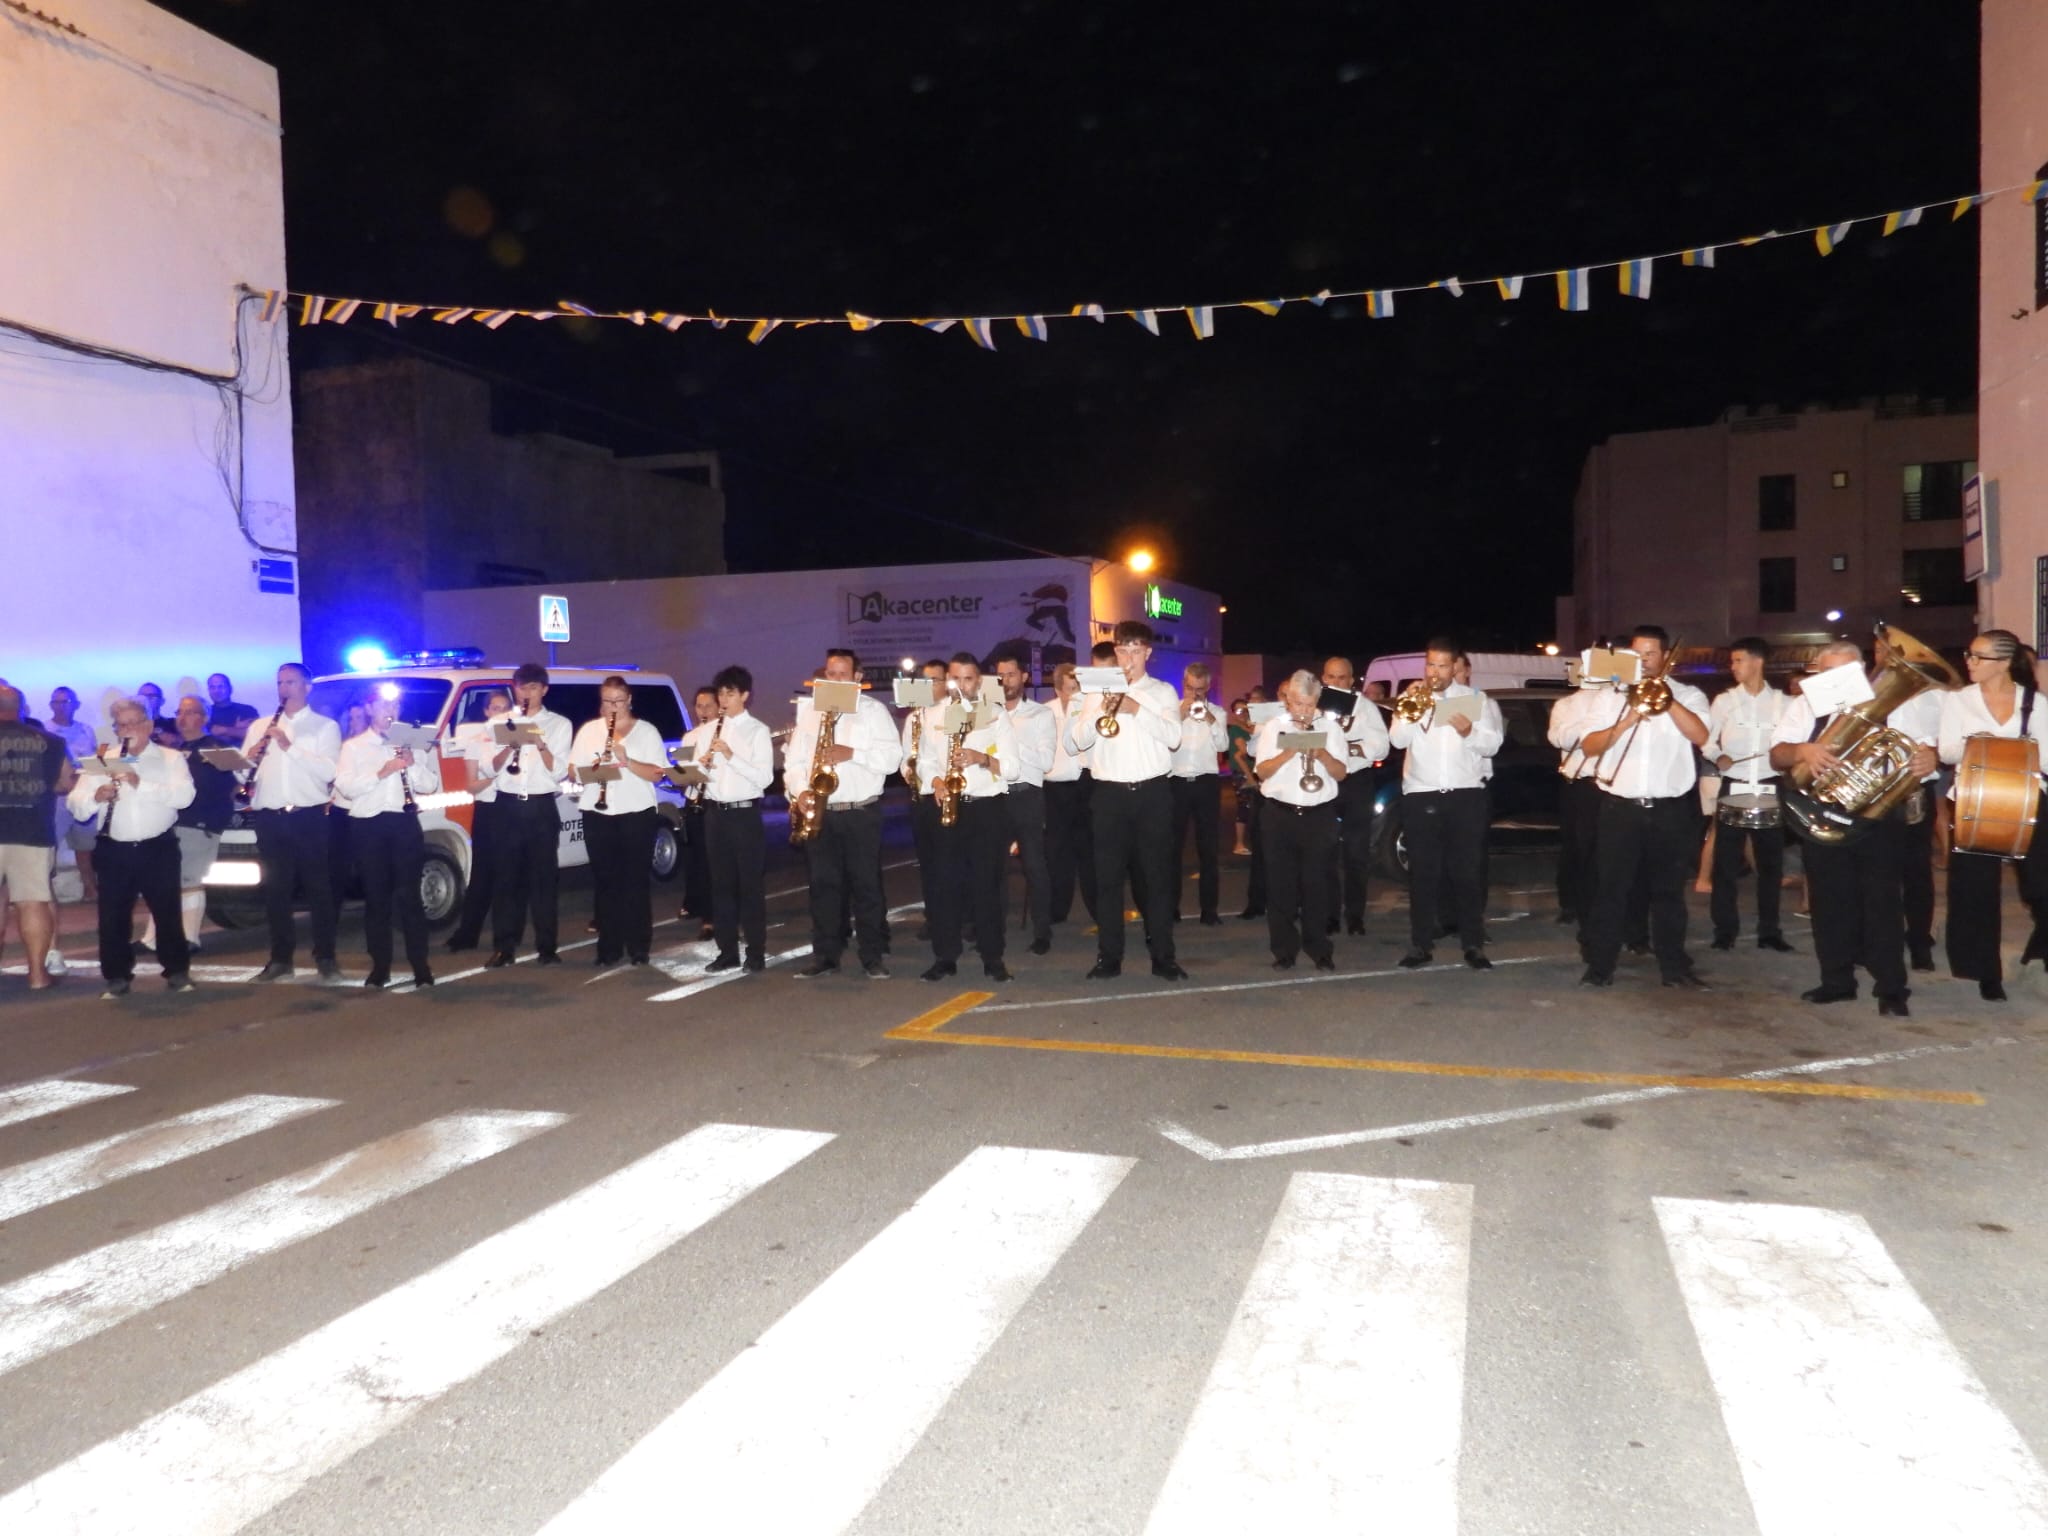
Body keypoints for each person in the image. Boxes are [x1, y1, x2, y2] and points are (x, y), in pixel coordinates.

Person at [1770, 640, 1932, 1017]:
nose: (1834, 681)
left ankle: (1892, 988)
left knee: (1883, 903)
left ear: (1861, 671)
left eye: (1843, 673)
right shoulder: (1804, 705)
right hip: (1822, 813)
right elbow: (1776, 754)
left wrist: (1929, 758)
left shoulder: (1901, 705)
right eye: (1827, 674)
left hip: (1878, 816)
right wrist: (1802, 751)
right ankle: (1837, 982)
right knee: (1829, 903)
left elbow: (1928, 751)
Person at [1578, 626, 1711, 990]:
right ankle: (1600, 967)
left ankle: (1674, 968)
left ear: (1665, 657)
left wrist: (1667, 701)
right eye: (1637, 655)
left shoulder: (1689, 694)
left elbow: (1701, 736)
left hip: (1671, 810)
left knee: (1668, 893)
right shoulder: (1609, 697)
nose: (1644, 661)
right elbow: (1589, 746)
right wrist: (1626, 719)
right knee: (1612, 890)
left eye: (1651, 654)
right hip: (1621, 808)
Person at [1063, 620, 1187, 981]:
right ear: (1115, 652)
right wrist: (1101, 710)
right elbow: (1074, 744)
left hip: (1152, 794)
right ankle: (1109, 958)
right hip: (1109, 795)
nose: (1129, 657)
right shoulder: (1094, 692)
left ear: (1147, 653)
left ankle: (1163, 957)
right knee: (1108, 880)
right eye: (1123, 650)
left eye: (1136, 650)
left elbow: (1174, 737)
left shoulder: (1162, 692)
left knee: (1157, 879)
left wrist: (1136, 708)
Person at [1938, 629, 2048, 1000]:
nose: (1969, 662)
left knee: (2041, 884)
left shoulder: (2035, 701)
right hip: (1975, 799)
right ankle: (1986, 973)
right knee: (1975, 889)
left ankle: (2041, 947)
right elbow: (1948, 751)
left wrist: (2017, 753)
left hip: (2029, 798)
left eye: (1978, 657)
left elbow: (2047, 757)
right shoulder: (1959, 701)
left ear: (2003, 662)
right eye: (1969, 655)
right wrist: (1981, 743)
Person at [67, 697, 195, 998]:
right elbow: (76, 804)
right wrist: (96, 796)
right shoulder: (102, 760)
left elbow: (184, 797)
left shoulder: (170, 758)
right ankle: (117, 975)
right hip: (114, 849)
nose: (127, 729)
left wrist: (139, 782)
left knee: (166, 912)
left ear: (148, 725)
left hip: (158, 847)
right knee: (112, 915)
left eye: (134, 723)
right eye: (121, 724)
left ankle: (176, 970)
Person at [788, 649, 902, 979]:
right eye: (830, 673)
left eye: (842, 673)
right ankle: (825, 955)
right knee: (823, 886)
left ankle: (872, 956)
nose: (835, 679)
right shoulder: (810, 712)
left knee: (865, 886)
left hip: (860, 811)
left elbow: (892, 759)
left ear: (856, 677)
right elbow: (795, 762)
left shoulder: (873, 711)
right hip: (823, 810)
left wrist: (852, 753)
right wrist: (801, 790)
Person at [1390, 640, 1503, 970]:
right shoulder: (1413, 697)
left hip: (1465, 795)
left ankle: (1473, 943)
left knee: (1466, 873)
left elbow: (1492, 745)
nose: (1434, 672)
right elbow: (1397, 740)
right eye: (1430, 665)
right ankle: (1420, 944)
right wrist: (1409, 707)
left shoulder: (1476, 700)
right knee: (1423, 874)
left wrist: (1469, 731)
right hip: (1421, 794)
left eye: (1441, 666)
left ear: (1454, 667)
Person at [913, 653, 1022, 982]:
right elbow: (925, 760)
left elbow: (1014, 768)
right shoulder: (933, 715)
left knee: (986, 886)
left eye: (969, 679)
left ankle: (993, 957)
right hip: (948, 805)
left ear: (980, 681)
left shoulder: (994, 715)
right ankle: (945, 956)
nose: (962, 685)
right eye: (956, 679)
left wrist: (980, 757)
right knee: (945, 885)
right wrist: (935, 781)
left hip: (986, 808)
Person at [239, 663, 343, 983]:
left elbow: (329, 772)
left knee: (318, 889)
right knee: (276, 890)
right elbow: (242, 774)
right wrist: (249, 758)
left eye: (291, 682)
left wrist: (288, 746)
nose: (284, 688)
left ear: (307, 686)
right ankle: (280, 958)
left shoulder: (324, 727)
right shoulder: (259, 725)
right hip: (270, 816)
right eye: (280, 682)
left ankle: (325, 955)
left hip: (308, 815)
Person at [334, 688, 440, 989]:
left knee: (409, 896)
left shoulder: (411, 741)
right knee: (377, 898)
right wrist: (383, 772)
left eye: (395, 703)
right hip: (368, 826)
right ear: (369, 710)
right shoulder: (354, 747)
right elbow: (346, 787)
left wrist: (412, 762)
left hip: (403, 822)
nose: (390, 709)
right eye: (383, 704)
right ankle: (380, 966)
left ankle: (421, 965)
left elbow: (430, 784)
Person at [567, 675, 669, 969]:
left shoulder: (646, 731)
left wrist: (626, 761)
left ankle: (638, 946)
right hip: (598, 813)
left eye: (618, 701)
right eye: (606, 701)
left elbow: (656, 774)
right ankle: (608, 946)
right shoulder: (589, 730)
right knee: (606, 881)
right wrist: (591, 770)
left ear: (629, 701)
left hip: (636, 812)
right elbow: (573, 770)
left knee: (635, 881)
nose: (612, 707)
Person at [1251, 669, 1348, 970]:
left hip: (1319, 816)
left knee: (1317, 885)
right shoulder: (1273, 727)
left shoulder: (1331, 729)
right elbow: (1262, 772)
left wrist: (1321, 755)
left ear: (1317, 700)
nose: (1304, 711)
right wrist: (1288, 752)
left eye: (1309, 704)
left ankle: (1319, 948)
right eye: (1298, 704)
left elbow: (1341, 772)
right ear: (1288, 701)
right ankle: (1284, 950)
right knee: (1280, 887)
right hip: (1280, 815)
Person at [1704, 637, 1793, 954]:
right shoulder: (1724, 701)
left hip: (1770, 785)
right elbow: (1707, 741)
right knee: (1726, 864)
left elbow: (1793, 745)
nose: (1733, 666)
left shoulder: (1784, 702)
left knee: (1770, 866)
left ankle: (1770, 931)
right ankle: (1724, 930)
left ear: (1757, 662)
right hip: (1735, 784)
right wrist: (1718, 757)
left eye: (1738, 660)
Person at [686, 665, 775, 974]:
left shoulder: (757, 731)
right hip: (715, 813)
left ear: (745, 696)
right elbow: (699, 775)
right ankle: (726, 951)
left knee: (749, 886)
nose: (723, 699)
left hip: (744, 813)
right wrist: (698, 769)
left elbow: (764, 778)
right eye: (721, 693)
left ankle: (756, 952)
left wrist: (731, 756)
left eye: (730, 693)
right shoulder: (706, 732)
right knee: (720, 885)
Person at [486, 663, 572, 968]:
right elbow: (488, 768)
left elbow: (559, 770)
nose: (527, 694)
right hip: (507, 805)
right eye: (522, 688)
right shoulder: (500, 721)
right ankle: (504, 947)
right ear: (514, 689)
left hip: (540, 806)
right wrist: (509, 747)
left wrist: (539, 743)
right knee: (506, 880)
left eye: (534, 688)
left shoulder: (559, 724)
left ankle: (547, 947)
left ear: (544, 690)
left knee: (544, 879)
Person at [137, 694, 235, 958]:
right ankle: (152, 938)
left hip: (200, 823)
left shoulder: (217, 747)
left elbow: (239, 781)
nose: (182, 717)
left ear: (204, 717)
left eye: (190, 712)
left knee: (190, 879)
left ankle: (189, 937)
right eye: (179, 711)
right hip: (171, 823)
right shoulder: (173, 751)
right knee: (166, 881)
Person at [1878, 629, 1946, 973]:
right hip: (1872, 791)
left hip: (1913, 792)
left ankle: (1919, 940)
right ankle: (1879, 942)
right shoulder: (1864, 692)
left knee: (1916, 872)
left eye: (1893, 650)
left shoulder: (1937, 697)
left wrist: (1935, 754)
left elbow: (1952, 742)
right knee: (1877, 872)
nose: (1886, 655)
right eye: (1882, 648)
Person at [0, 684, 74, 990]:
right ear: (21, 707)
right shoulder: (51, 741)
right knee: (33, 903)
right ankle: (37, 975)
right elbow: (65, 783)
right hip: (31, 830)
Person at [1318, 655, 1391, 936]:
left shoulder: (1366, 707)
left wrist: (1352, 749)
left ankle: (1355, 916)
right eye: (1331, 677)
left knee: (1356, 852)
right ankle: (1330, 915)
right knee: (1324, 851)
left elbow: (1382, 746)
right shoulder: (1315, 705)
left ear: (1352, 680)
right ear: (1324, 678)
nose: (1336, 682)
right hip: (1324, 781)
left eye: (1342, 677)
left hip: (1357, 782)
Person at [991, 645, 1057, 955]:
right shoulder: (986, 713)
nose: (1005, 680)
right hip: (994, 794)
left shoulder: (1040, 714)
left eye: (1011, 674)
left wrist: (1010, 743)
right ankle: (992, 927)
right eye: (1000, 675)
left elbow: (1045, 761)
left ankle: (1042, 931)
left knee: (1035, 865)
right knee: (993, 865)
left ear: (1025, 677)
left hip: (1026, 795)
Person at [444, 688, 511, 952]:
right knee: (483, 874)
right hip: (488, 809)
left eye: (505, 707)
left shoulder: (520, 735)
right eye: (495, 708)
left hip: (513, 808)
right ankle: (468, 933)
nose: (500, 712)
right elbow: (471, 786)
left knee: (510, 876)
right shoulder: (477, 740)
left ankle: (507, 937)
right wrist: (496, 779)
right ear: (486, 711)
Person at [1168, 662, 1231, 927]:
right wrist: (1178, 717)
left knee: (1209, 849)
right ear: (1184, 686)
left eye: (1200, 689)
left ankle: (1209, 910)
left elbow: (1223, 745)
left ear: (1208, 688)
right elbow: (1165, 742)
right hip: (1176, 783)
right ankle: (1170, 908)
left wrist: (1209, 719)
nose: (1194, 694)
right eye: (1190, 688)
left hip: (1205, 782)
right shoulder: (1170, 711)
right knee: (1172, 850)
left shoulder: (1217, 712)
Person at [901, 657, 951, 943]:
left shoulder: (953, 712)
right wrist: (909, 772)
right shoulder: (914, 717)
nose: (931, 686)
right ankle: (933, 917)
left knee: (951, 861)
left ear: (946, 683)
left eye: (936, 680)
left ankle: (960, 916)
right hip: (921, 797)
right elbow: (906, 755)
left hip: (945, 794)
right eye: (926, 681)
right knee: (928, 861)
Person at [1043, 662, 1097, 928]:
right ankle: (1057, 909)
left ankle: (1097, 908)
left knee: (1089, 851)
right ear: (1057, 689)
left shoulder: (1088, 708)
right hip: (1054, 789)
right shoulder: (1046, 712)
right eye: (1069, 689)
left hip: (1083, 786)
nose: (1074, 694)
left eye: (1078, 688)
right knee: (1057, 853)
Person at [1546, 683, 1601, 939]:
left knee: (1607, 848)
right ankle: (1570, 903)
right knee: (1575, 846)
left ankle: (1601, 902)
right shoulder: (1565, 705)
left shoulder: (1615, 701)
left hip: (1611, 783)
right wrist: (1590, 722)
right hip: (1578, 783)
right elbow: (1559, 738)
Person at [47, 686, 100, 903]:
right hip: (58, 798)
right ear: (51, 705)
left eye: (66, 701)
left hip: (84, 794)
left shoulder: (86, 730)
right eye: (57, 702)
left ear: (75, 704)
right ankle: (45, 891)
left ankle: (90, 888)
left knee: (85, 845)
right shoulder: (44, 729)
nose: (62, 706)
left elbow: (97, 757)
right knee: (50, 845)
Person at [677, 684, 719, 939]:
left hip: (715, 803)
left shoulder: (722, 738)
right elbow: (682, 769)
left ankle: (710, 917)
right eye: (699, 706)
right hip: (694, 802)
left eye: (708, 706)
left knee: (712, 863)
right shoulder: (688, 737)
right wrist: (681, 776)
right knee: (696, 859)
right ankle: (696, 903)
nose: (702, 711)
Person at [1235, 686, 1271, 919]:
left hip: (1282, 790)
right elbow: (1251, 749)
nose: (1253, 705)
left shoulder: (1277, 720)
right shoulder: (1260, 724)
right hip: (1263, 788)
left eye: (1258, 700)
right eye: (1252, 701)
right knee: (1258, 849)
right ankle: (1255, 904)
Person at [206, 673, 259, 738]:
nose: (216, 691)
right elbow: (214, 732)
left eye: (221, 686)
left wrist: (224, 730)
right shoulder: (205, 713)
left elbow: (256, 733)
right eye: (212, 687)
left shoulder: (247, 710)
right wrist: (236, 729)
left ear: (230, 689)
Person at [136, 681, 177, 745]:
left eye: (151, 696)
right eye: (142, 697)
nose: (146, 700)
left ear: (162, 701)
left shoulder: (173, 724)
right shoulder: (130, 726)